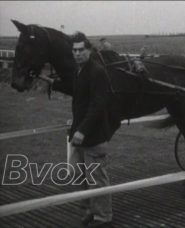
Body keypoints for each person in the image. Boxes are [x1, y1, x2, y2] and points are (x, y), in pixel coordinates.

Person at [40, 32, 115, 228]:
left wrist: (82, 130)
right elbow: (75, 89)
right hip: (79, 135)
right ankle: (91, 211)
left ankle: (103, 218)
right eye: (74, 50)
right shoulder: (78, 71)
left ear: (89, 50)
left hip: (94, 136)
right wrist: (51, 82)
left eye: (81, 49)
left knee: (97, 178)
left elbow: (98, 105)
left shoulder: (97, 72)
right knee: (79, 175)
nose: (77, 53)